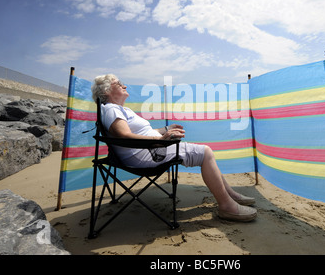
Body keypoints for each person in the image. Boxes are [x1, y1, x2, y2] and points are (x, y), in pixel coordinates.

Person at [91, 74, 257, 222]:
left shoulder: (118, 110)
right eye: (118, 83)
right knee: (206, 152)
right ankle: (227, 206)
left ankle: (231, 196)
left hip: (148, 150)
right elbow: (125, 136)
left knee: (205, 152)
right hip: (146, 155)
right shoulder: (112, 109)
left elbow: (144, 132)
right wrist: (158, 142)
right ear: (106, 91)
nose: (124, 85)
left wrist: (165, 130)